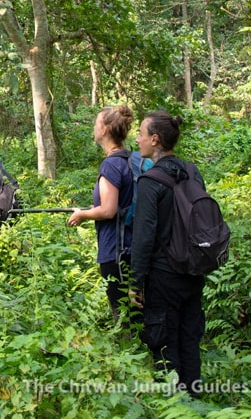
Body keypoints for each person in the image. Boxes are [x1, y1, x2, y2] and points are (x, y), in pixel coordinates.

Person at [130, 111, 206, 396]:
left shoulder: (151, 180)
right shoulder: (192, 171)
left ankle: (174, 405)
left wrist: (135, 283)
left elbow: (143, 236)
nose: (137, 139)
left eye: (140, 133)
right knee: (190, 339)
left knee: (164, 343)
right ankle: (195, 399)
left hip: (163, 276)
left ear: (155, 139)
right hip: (194, 270)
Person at [67, 105, 135, 328]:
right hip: (134, 246)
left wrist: (83, 214)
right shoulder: (131, 159)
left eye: (97, 123)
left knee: (122, 312)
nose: (94, 127)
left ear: (105, 129)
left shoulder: (111, 165)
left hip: (116, 249)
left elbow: (108, 210)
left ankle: (127, 355)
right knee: (137, 308)